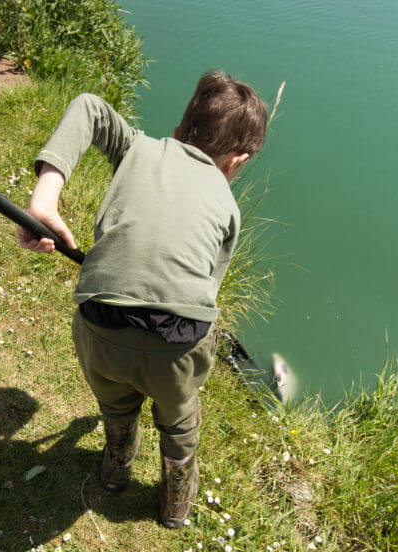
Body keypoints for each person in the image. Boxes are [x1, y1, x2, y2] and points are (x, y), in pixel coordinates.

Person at [17, 71, 267, 527]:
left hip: (100, 328)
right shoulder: (227, 206)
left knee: (115, 400)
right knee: (179, 418)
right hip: (177, 345)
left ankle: (116, 464)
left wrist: (45, 198)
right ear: (237, 160)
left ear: (177, 133)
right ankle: (175, 503)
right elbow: (206, 294)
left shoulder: (137, 147)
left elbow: (89, 107)